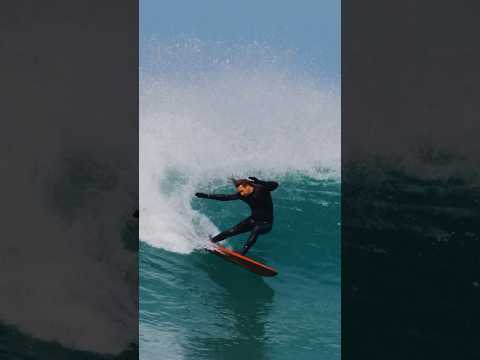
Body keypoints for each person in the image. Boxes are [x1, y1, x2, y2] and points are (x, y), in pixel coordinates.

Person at [195, 177, 279, 255]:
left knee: (256, 229)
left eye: (242, 191)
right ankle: (211, 242)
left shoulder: (261, 189)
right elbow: (225, 197)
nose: (241, 194)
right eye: (239, 192)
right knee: (231, 231)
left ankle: (243, 252)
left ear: (247, 186)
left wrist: (260, 182)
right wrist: (206, 196)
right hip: (253, 220)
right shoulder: (242, 195)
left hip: (266, 223)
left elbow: (275, 185)